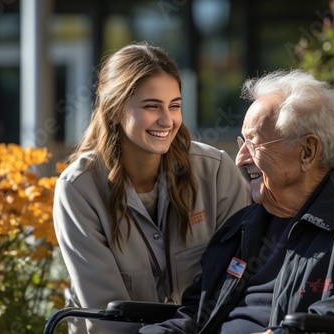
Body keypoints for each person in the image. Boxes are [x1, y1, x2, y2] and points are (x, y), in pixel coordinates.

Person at [138, 69, 334, 334]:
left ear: (307, 151)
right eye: (241, 143)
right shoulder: (243, 226)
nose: (240, 158)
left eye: (254, 143)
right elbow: (196, 315)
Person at [52, 41, 250, 334]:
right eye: (151, 106)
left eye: (175, 105)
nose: (167, 120)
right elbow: (108, 320)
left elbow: (240, 281)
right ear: (115, 110)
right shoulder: (78, 190)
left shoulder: (217, 171)